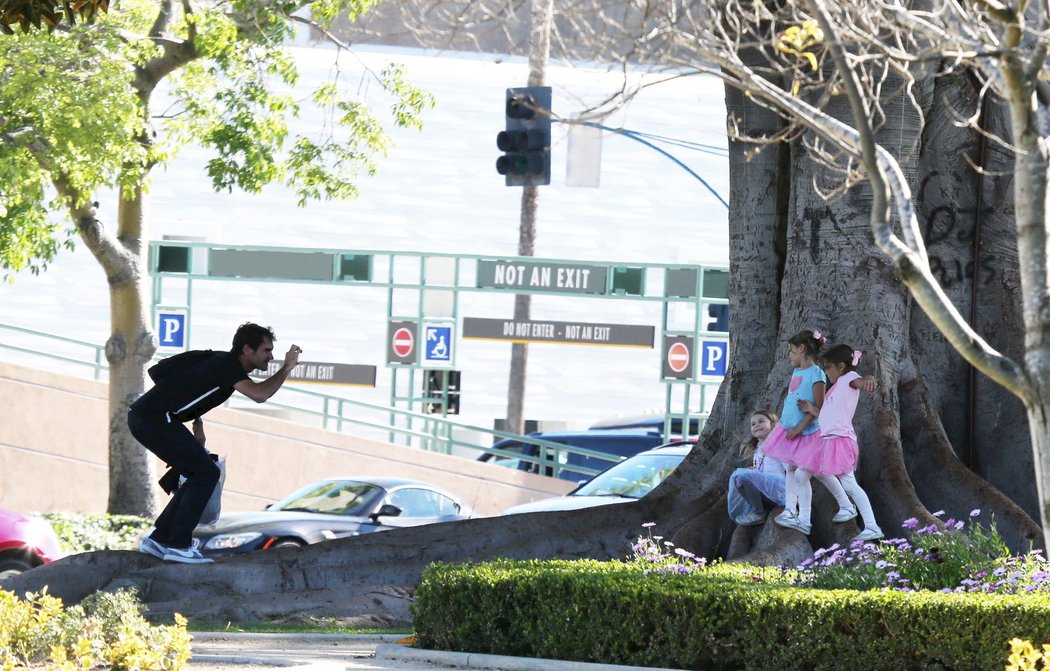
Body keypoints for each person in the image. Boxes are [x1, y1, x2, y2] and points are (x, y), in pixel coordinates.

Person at [128, 322, 302, 563]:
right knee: (206, 473)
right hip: (153, 418)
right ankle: (178, 544)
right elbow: (260, 395)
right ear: (247, 350)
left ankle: (160, 540)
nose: (271, 356)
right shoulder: (228, 366)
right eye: (266, 350)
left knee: (198, 471)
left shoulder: (223, 365)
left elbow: (192, 389)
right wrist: (286, 368)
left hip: (152, 418)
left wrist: (196, 427)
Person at [761, 330, 856, 529]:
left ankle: (838, 506)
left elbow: (819, 408)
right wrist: (788, 423)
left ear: (802, 349)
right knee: (790, 469)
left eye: (791, 351)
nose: (789, 356)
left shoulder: (817, 373)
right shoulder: (797, 371)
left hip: (808, 432)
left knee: (815, 471)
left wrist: (799, 426)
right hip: (789, 428)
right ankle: (790, 509)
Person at [792, 344, 884, 541]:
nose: (826, 372)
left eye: (828, 368)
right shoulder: (835, 388)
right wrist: (812, 409)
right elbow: (828, 415)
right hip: (826, 441)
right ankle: (812, 517)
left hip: (840, 442)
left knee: (849, 484)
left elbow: (859, 381)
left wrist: (867, 379)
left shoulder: (848, 378)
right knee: (802, 473)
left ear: (841, 366)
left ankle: (871, 525)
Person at [727, 409, 785, 525]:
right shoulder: (758, 447)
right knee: (739, 479)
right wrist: (754, 471)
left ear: (773, 425)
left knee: (742, 477)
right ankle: (759, 509)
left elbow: (789, 468)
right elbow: (761, 467)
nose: (756, 425)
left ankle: (759, 513)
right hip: (765, 489)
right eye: (753, 424)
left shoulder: (778, 445)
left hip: (778, 489)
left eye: (761, 421)